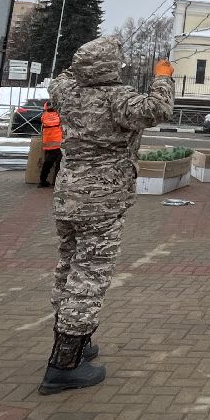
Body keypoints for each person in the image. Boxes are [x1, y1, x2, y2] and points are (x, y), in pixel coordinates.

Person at [39, 37, 175, 395]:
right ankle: (64, 365)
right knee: (89, 277)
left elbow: (65, 74)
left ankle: (75, 342)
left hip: (69, 196)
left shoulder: (65, 89)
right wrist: (163, 76)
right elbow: (159, 110)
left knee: (68, 268)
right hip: (102, 202)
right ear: (108, 69)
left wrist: (89, 60)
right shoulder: (117, 99)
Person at [38, 102, 64, 187]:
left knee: (47, 163)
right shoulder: (59, 115)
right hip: (58, 143)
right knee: (59, 164)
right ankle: (56, 182)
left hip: (48, 143)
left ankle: (42, 181)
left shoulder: (44, 116)